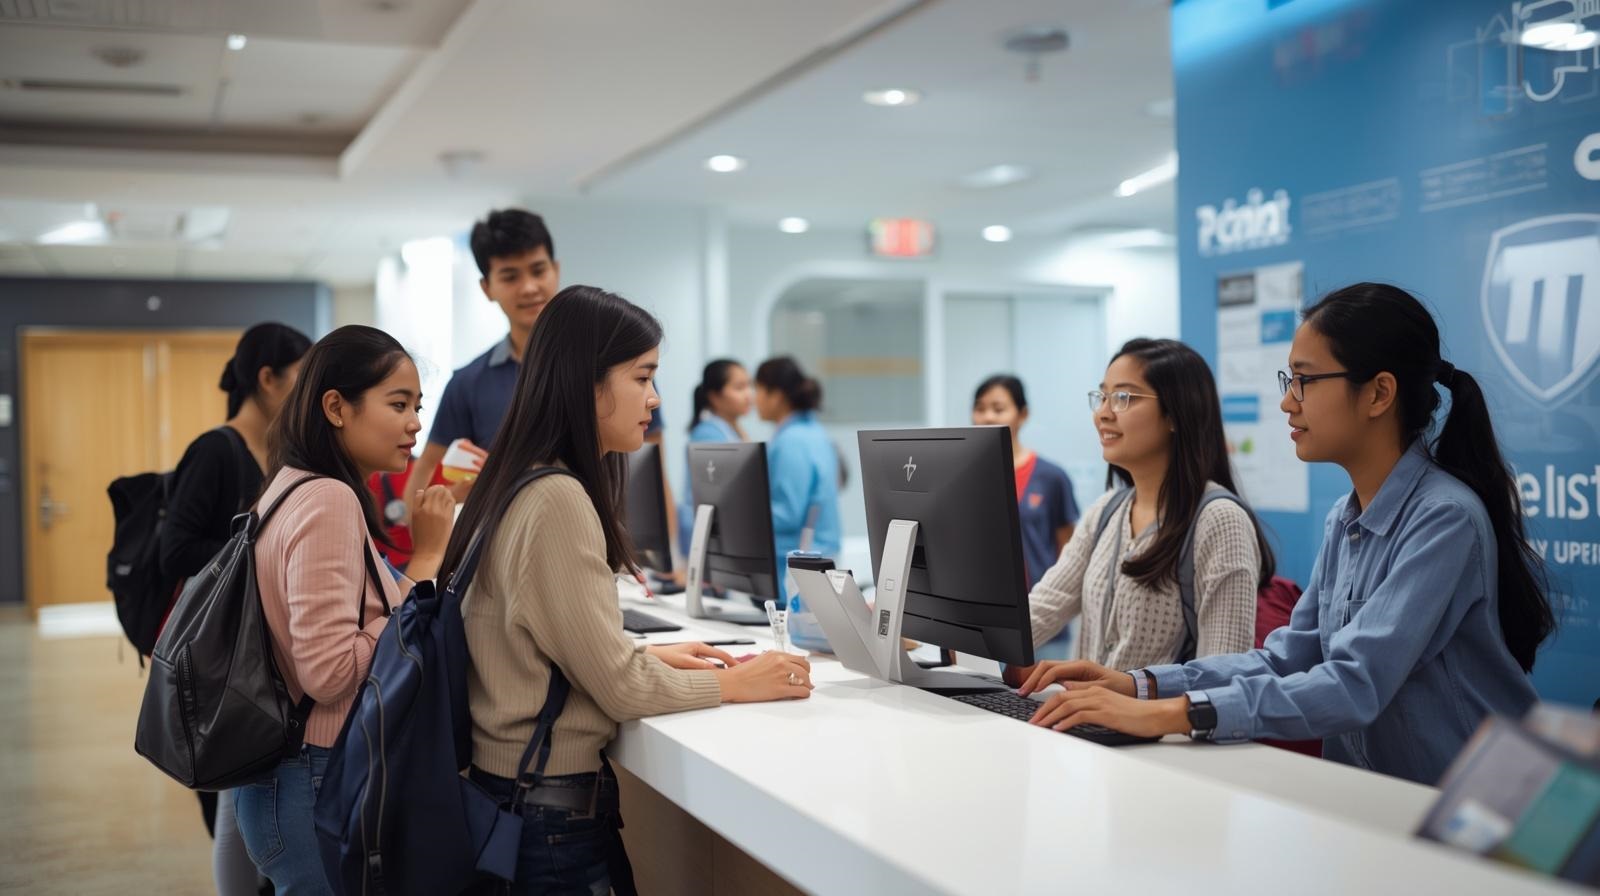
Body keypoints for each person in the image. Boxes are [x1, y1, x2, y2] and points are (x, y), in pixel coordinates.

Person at [1020, 285, 1555, 786]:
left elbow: (1355, 683)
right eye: (1288, 381)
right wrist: (1141, 685)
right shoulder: (1344, 519)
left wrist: (1160, 713)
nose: (1287, 402)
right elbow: (1286, 658)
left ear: (1378, 393)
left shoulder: (1445, 518)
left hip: (1457, 806)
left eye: (1305, 380)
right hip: (1366, 797)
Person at [441, 286, 812, 893]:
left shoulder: (520, 480)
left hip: (514, 799)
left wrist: (642, 653)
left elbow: (540, 647)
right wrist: (735, 683)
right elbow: (619, 688)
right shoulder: (557, 498)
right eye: (642, 377)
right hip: (546, 820)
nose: (654, 398)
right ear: (587, 383)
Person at [235, 326, 456, 893]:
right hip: (311, 778)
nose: (414, 424)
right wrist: (428, 558)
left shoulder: (290, 484)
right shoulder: (328, 499)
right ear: (336, 406)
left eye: (418, 406)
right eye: (398, 404)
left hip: (289, 779)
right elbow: (330, 671)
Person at [160, 322, 310, 895]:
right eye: (301, 378)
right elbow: (177, 549)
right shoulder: (216, 449)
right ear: (267, 379)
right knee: (231, 798)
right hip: (224, 650)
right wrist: (254, 548)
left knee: (247, 796)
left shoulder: (280, 452)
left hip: (260, 646)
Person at [1020, 340, 1274, 674]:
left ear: (1175, 414)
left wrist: (1134, 699)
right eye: (1102, 396)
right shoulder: (1105, 511)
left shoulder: (1220, 520)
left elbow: (1222, 678)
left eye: (1124, 398)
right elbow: (1041, 609)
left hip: (1165, 728)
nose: (1103, 413)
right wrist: (951, 641)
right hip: (1083, 723)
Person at [404, 208, 562, 510]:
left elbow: (650, 469)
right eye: (510, 276)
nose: (529, 287)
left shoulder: (606, 364)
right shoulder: (467, 384)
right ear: (487, 288)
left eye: (538, 270)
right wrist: (463, 492)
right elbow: (418, 489)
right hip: (504, 549)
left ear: (556, 269)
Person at [971, 374, 1079, 587]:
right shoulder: (966, 477)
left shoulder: (1051, 477)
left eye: (998, 409)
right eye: (980, 409)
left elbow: (1068, 550)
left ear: (1023, 414)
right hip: (984, 602)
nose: (988, 417)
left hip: (1041, 604)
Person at [753, 357, 842, 578]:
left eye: (758, 390)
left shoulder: (791, 441)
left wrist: (744, 514)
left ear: (776, 396)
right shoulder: (812, 431)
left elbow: (788, 513)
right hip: (817, 556)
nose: (754, 399)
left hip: (801, 565)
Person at [677, 359, 751, 543]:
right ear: (715, 397)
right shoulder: (709, 434)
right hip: (708, 537)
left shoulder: (731, 428)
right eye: (739, 387)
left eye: (749, 386)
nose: (749, 394)